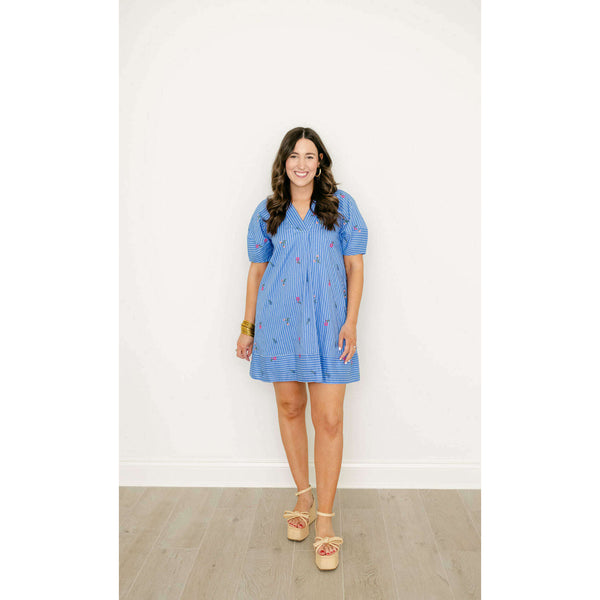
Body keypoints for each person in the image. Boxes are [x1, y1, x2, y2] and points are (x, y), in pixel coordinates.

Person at [235, 126, 368, 570]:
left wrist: (351, 322)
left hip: (331, 328)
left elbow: (355, 267)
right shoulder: (268, 211)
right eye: (294, 155)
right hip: (280, 325)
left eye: (310, 156)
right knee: (290, 409)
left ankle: (325, 521)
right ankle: (303, 497)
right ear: (284, 162)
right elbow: (257, 272)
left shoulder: (341, 207)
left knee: (329, 420)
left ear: (320, 162)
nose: (301, 164)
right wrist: (248, 327)